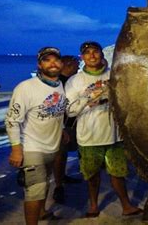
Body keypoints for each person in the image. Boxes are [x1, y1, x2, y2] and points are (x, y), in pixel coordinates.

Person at [65, 41, 142, 218]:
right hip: (88, 137)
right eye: (87, 53)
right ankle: (93, 206)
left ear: (101, 54)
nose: (92, 56)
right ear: (82, 57)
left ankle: (126, 205)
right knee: (92, 176)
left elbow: (128, 102)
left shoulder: (114, 75)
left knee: (118, 174)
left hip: (115, 136)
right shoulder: (74, 81)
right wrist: (88, 99)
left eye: (95, 52)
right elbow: (69, 110)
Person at [5, 47, 67, 224]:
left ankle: (42, 212)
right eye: (47, 60)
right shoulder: (26, 88)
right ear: (39, 65)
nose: (52, 63)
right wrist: (16, 149)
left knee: (45, 183)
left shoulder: (60, 85)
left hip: (52, 146)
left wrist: (61, 129)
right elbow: (11, 120)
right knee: (34, 189)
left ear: (61, 64)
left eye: (56, 60)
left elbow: (57, 110)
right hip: (32, 147)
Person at [52, 55, 82, 204]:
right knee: (59, 154)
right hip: (60, 125)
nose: (78, 68)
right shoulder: (57, 83)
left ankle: (62, 177)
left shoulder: (72, 81)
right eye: (76, 65)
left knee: (64, 154)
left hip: (70, 123)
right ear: (67, 65)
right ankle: (58, 185)